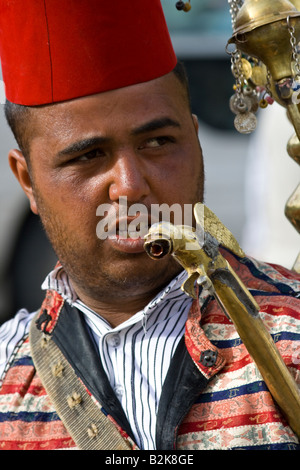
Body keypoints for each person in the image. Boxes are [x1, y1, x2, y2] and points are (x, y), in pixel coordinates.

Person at [0, 0, 299, 451]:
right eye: (88, 156)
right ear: (28, 180)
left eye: (158, 142)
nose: (131, 187)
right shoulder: (7, 373)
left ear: (195, 141)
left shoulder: (290, 337)